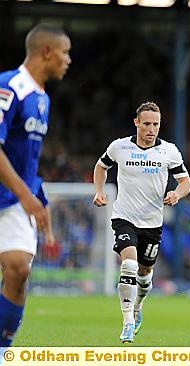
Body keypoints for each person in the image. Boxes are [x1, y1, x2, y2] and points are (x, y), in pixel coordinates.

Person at [93, 101, 190, 343]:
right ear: (136, 122)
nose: (151, 129)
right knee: (129, 266)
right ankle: (127, 321)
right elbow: (101, 166)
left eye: (155, 124)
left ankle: (137, 306)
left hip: (152, 222)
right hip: (124, 217)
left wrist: (177, 194)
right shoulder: (120, 147)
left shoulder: (169, 151)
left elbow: (186, 182)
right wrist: (98, 191)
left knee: (145, 273)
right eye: (146, 123)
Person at [0, 23, 71, 350]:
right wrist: (26, 195)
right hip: (17, 195)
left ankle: (3, 349)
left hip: (15, 198)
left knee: (18, 270)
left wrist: (36, 198)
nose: (68, 60)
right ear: (46, 52)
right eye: (64, 53)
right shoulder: (9, 87)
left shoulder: (43, 99)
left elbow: (28, 159)